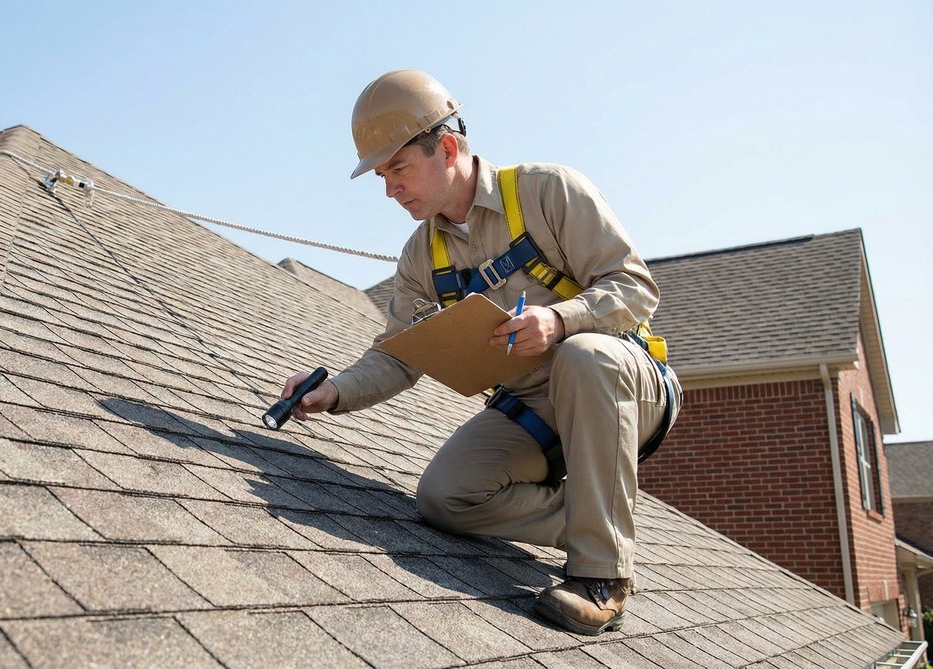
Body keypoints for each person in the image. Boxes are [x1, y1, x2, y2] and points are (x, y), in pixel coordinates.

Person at [277, 69, 680, 636]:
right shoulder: (421, 257)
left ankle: (601, 577)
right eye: (382, 176)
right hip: (536, 409)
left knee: (583, 355)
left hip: (623, 385)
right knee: (445, 497)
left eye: (398, 168)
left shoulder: (548, 192)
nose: (389, 190)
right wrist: (333, 391)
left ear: (446, 149)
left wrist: (560, 320)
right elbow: (398, 355)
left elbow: (635, 287)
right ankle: (602, 519)